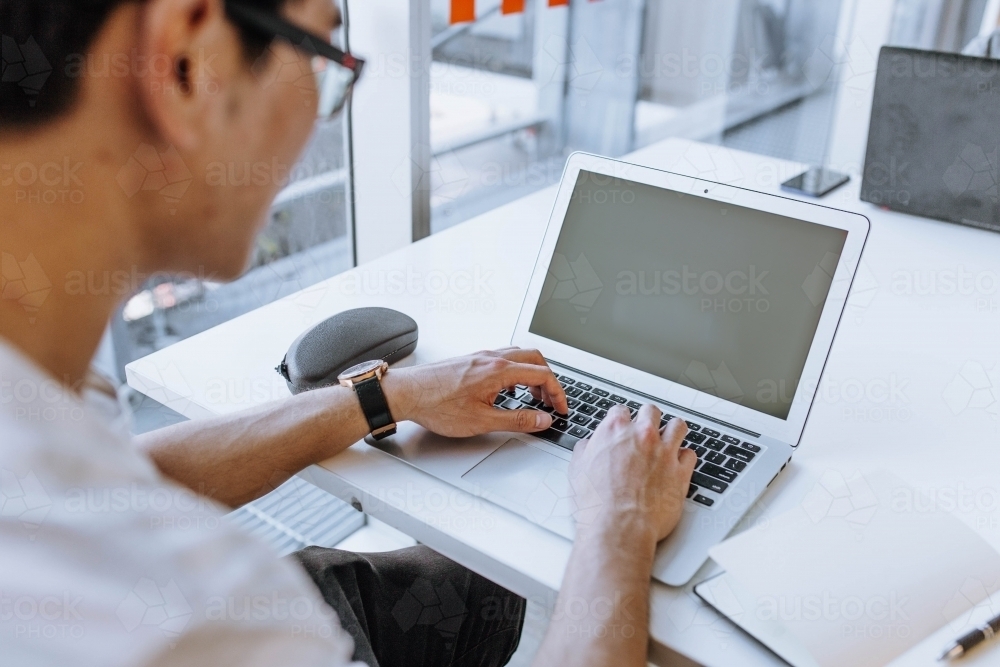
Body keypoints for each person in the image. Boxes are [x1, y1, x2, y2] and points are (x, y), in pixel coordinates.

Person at [0, 1, 697, 665]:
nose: (321, 114)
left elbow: (123, 475)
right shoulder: (195, 626)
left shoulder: (36, 388)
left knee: (480, 589)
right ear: (190, 60)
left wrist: (387, 396)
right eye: (322, 56)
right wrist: (620, 525)